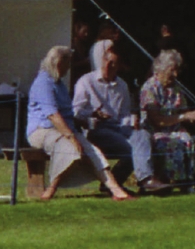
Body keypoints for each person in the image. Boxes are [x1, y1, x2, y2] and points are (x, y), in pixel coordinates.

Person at [26, 46, 134, 201]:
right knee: (69, 147)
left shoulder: (59, 83)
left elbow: (68, 115)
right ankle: (51, 190)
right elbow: (53, 115)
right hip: (42, 130)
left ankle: (116, 191)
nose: (69, 68)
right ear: (58, 63)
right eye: (68, 64)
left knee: (92, 151)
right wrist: (71, 137)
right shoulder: (43, 83)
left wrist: (86, 121)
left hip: (64, 130)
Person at [73, 47, 170, 193]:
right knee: (131, 148)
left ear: (118, 66)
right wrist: (93, 113)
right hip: (96, 128)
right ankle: (118, 183)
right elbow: (76, 112)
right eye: (107, 61)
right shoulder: (86, 82)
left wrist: (132, 120)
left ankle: (146, 180)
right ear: (102, 60)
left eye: (113, 63)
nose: (108, 66)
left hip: (118, 128)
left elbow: (124, 115)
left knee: (142, 135)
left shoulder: (122, 85)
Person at [138, 50, 195, 187]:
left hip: (175, 129)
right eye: (172, 70)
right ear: (161, 69)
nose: (176, 75)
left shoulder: (176, 88)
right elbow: (157, 120)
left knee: (188, 141)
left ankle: (189, 181)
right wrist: (184, 116)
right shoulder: (149, 89)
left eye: (177, 70)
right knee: (171, 143)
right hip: (154, 131)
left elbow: (183, 112)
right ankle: (171, 181)